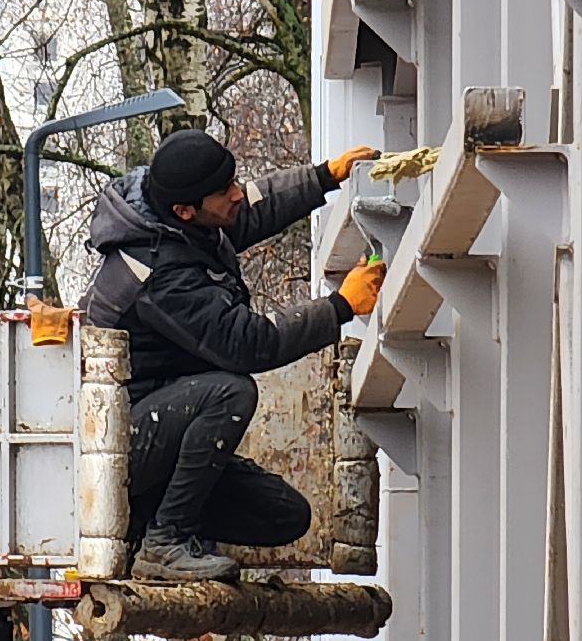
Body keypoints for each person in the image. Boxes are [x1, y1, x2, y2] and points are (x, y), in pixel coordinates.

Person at [80, 128, 387, 582]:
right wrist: (340, 306)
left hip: (161, 429)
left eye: (233, 181)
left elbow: (247, 211)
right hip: (122, 446)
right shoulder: (157, 275)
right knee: (230, 391)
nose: (237, 194)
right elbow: (248, 343)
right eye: (224, 191)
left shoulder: (171, 216)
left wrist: (323, 177)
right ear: (186, 210)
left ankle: (151, 523)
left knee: (285, 518)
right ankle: (164, 542)